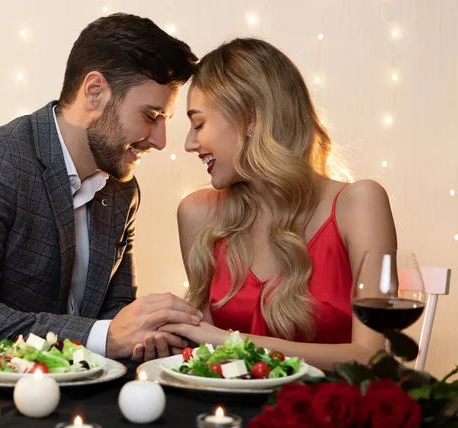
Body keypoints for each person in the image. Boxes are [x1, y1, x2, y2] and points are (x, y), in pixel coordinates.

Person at [0, 13, 200, 372]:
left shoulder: (121, 190)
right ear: (94, 92)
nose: (161, 141)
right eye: (151, 115)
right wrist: (104, 337)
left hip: (64, 401)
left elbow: (115, 312)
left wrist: (148, 332)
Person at [157, 38, 396, 370]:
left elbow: (371, 357)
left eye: (199, 123)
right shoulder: (198, 213)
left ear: (251, 118)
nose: (189, 142)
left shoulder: (359, 204)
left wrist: (229, 341)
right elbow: (205, 358)